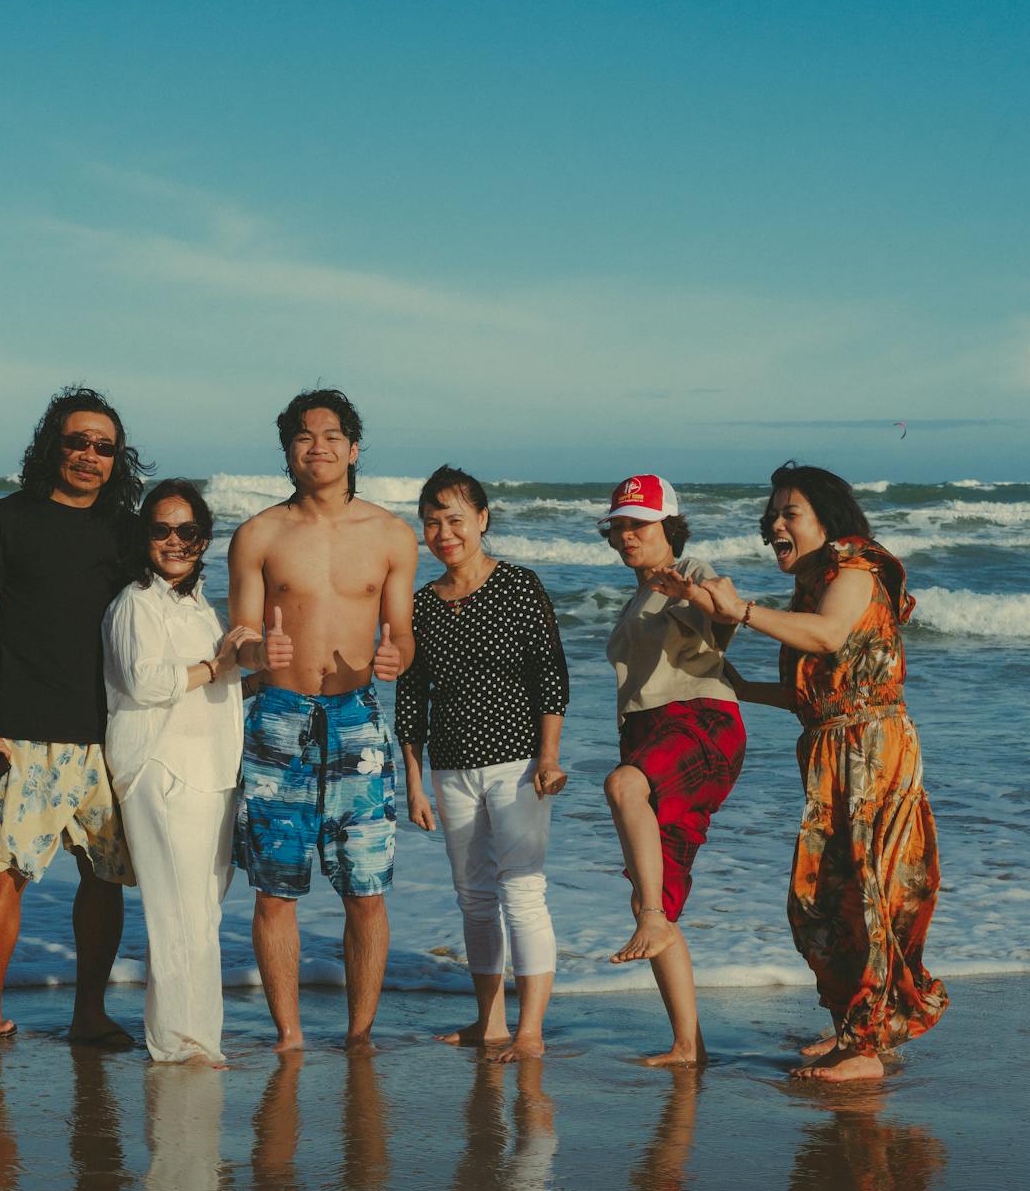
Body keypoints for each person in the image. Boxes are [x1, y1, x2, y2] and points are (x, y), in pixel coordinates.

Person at [652, 461, 948, 1081]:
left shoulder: (856, 571)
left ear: (827, 520)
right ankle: (856, 1030)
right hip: (832, 751)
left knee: (863, 895)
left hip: (871, 751)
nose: (775, 523)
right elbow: (804, 692)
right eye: (773, 515)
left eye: (791, 512)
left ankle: (865, 1048)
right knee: (823, 896)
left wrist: (744, 608)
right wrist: (731, 682)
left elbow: (828, 636)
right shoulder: (814, 584)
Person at [0, 386, 147, 1055]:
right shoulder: (3, 522)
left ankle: (88, 1013)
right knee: (4, 872)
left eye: (104, 447)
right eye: (77, 441)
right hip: (21, 729)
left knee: (106, 876)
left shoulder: (129, 534)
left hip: (109, 733)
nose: (89, 456)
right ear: (52, 444)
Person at [227, 386, 417, 1052]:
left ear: (354, 446)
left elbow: (404, 634)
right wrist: (257, 650)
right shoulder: (259, 533)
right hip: (277, 718)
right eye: (304, 436)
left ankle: (361, 1031)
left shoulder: (392, 534)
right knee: (274, 890)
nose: (319, 446)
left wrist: (397, 655)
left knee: (365, 886)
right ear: (288, 450)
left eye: (332, 434)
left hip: (358, 720)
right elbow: (241, 634)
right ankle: (289, 1034)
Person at [397, 465, 569, 1061]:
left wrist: (549, 755)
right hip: (449, 768)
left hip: (517, 764)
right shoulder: (421, 604)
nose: (444, 533)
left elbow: (550, 675)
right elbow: (410, 696)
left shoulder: (519, 586)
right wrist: (414, 782)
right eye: (431, 523)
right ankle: (490, 1022)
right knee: (472, 896)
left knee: (522, 892)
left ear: (482, 521)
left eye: (455, 520)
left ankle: (531, 1031)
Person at [102, 479, 256, 1065]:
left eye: (187, 531)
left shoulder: (197, 604)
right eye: (161, 530)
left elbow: (215, 678)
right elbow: (146, 681)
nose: (174, 541)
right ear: (145, 537)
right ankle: (176, 1041)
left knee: (203, 911)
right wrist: (217, 664)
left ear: (203, 539)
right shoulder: (135, 602)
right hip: (161, 768)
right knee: (176, 912)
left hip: (212, 768)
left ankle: (199, 1038)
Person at [599, 473, 746, 1067]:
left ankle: (655, 919)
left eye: (641, 524)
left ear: (670, 527)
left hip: (699, 722)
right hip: (650, 732)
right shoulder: (637, 598)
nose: (629, 535)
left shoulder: (692, 573)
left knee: (622, 785)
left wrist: (693, 592)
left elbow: (722, 605)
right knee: (649, 898)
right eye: (621, 526)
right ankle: (688, 1045)